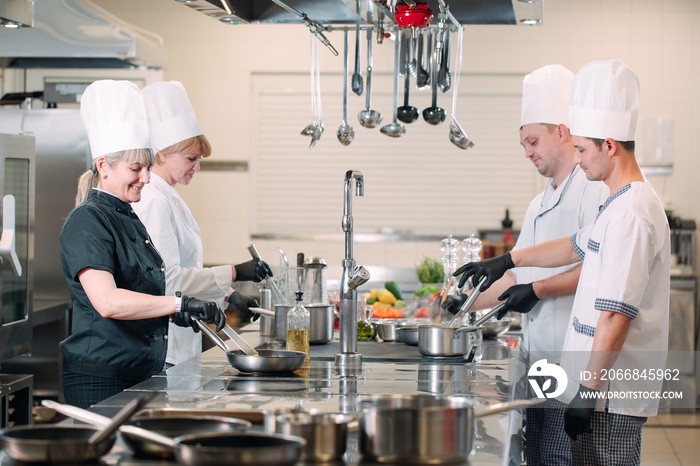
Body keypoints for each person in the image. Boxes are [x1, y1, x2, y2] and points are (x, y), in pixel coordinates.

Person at [454, 59, 670, 466]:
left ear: (609, 145)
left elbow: (615, 316)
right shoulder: (617, 203)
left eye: (583, 150)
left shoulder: (632, 213)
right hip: (593, 385)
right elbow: (573, 246)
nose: (580, 159)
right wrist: (506, 260)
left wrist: (588, 391)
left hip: (609, 395)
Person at [444, 65, 608, 465]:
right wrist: (468, 302)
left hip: (577, 369)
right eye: (523, 144)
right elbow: (517, 274)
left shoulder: (593, 190)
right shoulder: (538, 203)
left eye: (533, 140)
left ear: (563, 132)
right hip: (538, 368)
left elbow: (599, 271)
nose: (528, 151)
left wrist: (537, 291)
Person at [59, 80, 226, 409]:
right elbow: (108, 302)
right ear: (104, 166)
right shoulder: (87, 221)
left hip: (142, 373)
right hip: (102, 379)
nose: (146, 178)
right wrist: (177, 304)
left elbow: (142, 289)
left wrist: (177, 313)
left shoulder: (129, 216)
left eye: (148, 168)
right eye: (136, 169)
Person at [133, 80, 272, 368]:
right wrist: (234, 272)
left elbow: (188, 271)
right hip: (165, 344)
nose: (197, 166)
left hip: (180, 344)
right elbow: (168, 279)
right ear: (162, 154)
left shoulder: (168, 195)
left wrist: (229, 295)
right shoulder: (155, 200)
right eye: (191, 158)